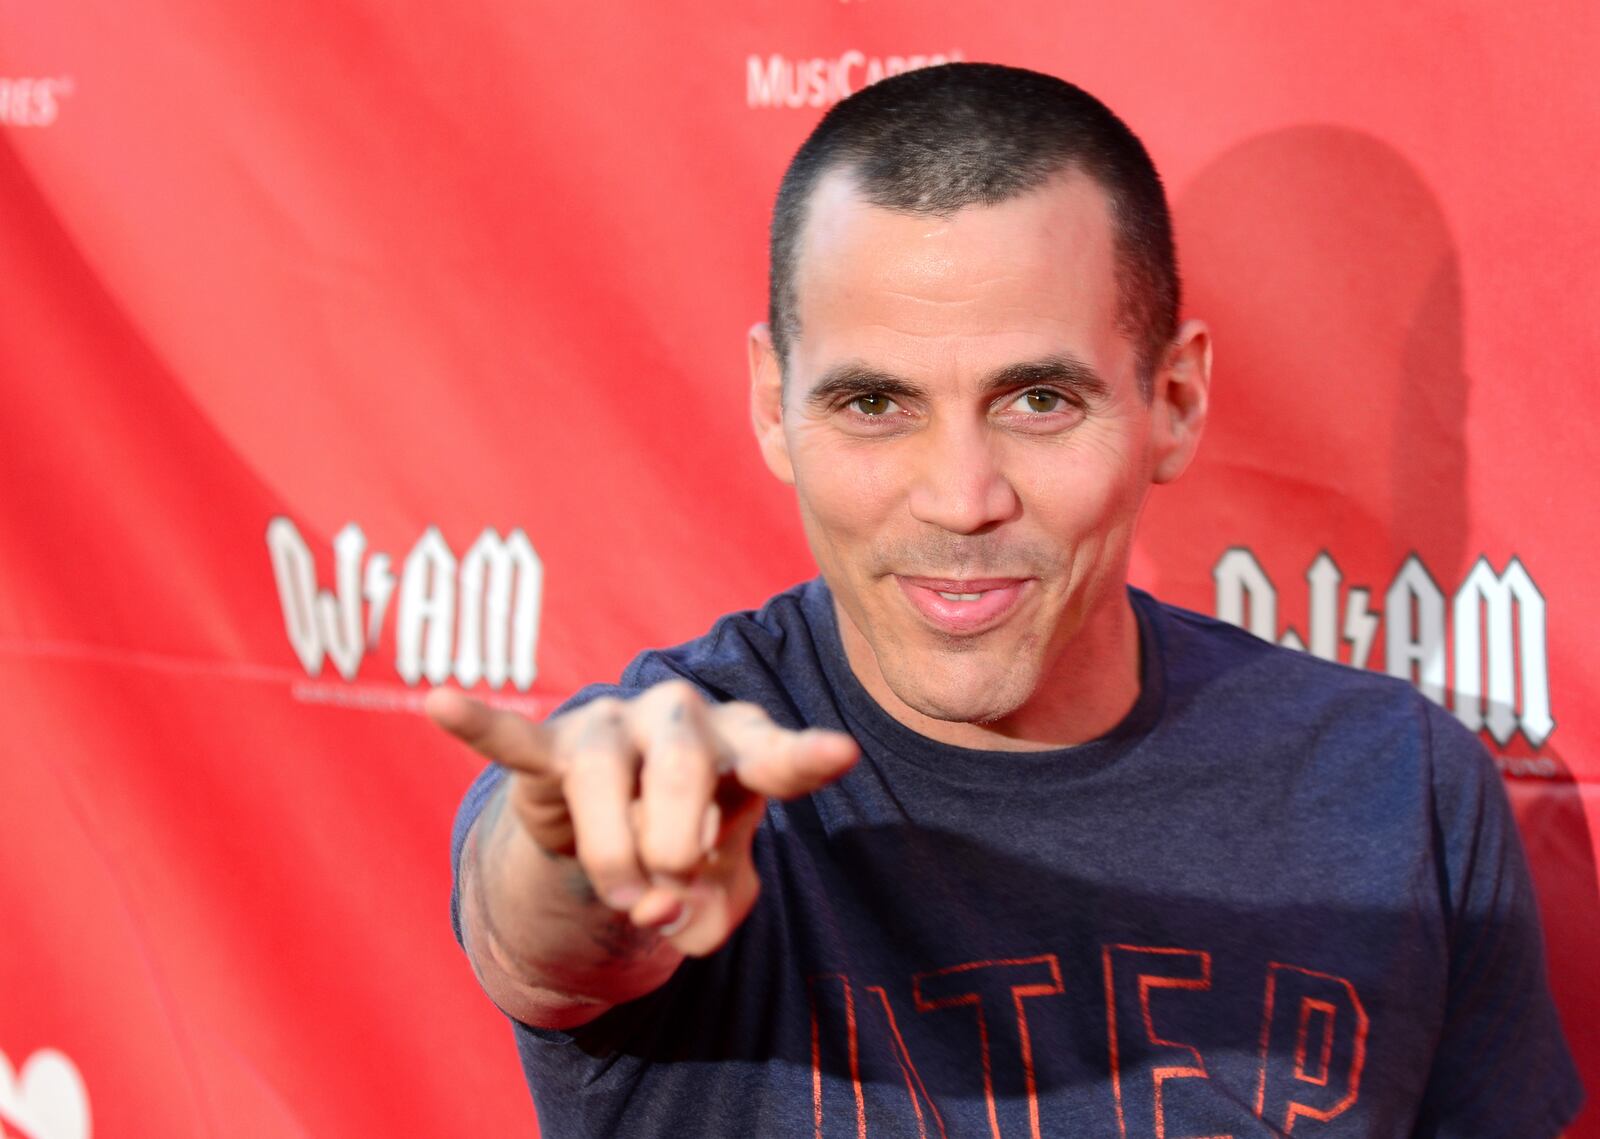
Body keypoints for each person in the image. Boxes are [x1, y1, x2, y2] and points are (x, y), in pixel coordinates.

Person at [430, 63, 1583, 1137]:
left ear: (1171, 400)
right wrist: (594, 864)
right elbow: (538, 935)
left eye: (1036, 398)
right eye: (875, 403)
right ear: (774, 407)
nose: (960, 499)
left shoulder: (1396, 784)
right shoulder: (688, 765)